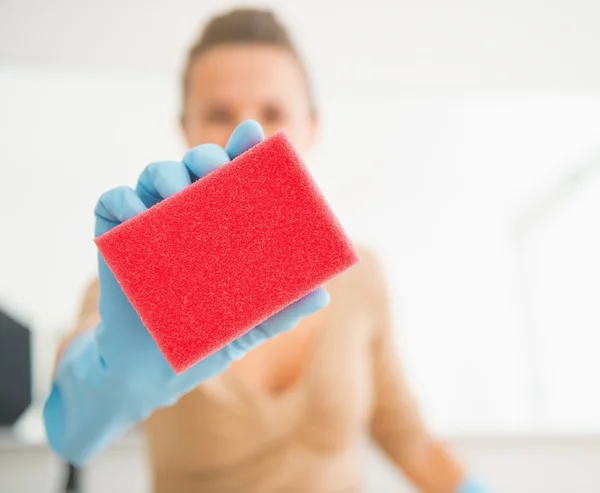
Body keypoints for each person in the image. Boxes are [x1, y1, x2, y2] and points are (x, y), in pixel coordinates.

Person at [44, 8, 487, 493]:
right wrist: (103, 377)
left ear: (312, 126)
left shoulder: (361, 275)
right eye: (218, 113)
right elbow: (71, 420)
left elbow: (408, 439)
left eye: (273, 113)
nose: (246, 134)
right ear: (185, 127)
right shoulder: (134, 280)